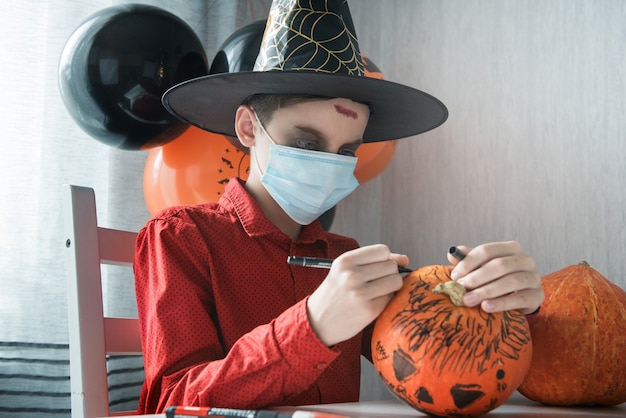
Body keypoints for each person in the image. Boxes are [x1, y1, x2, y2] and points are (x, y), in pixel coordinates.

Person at [134, 0, 544, 414]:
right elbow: (171, 403)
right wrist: (312, 327)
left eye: (346, 150)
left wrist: (504, 305)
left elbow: (437, 362)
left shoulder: (343, 257)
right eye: (307, 143)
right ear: (247, 127)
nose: (328, 163)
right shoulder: (181, 238)